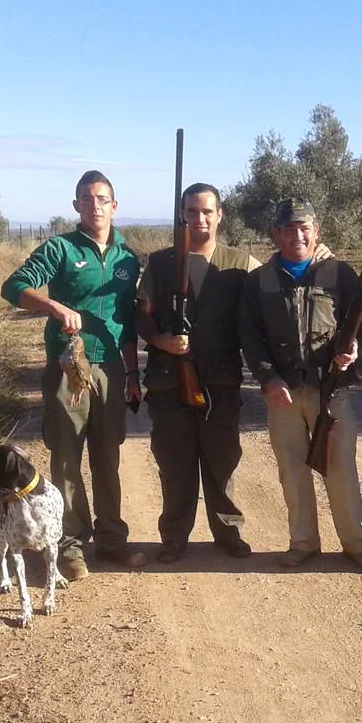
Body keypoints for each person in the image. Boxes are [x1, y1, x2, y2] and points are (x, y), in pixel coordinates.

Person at [1, 170, 145, 580]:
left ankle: (113, 540)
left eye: (102, 199)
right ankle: (70, 545)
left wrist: (133, 373)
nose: (94, 206)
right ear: (76, 205)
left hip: (112, 371)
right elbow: (13, 287)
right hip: (68, 369)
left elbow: (129, 322)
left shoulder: (127, 258)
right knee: (66, 460)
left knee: (108, 458)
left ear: (114, 206)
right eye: (86, 199)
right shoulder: (60, 249)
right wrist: (53, 307)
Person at [240, 198, 362, 570]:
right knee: (293, 470)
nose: (297, 236)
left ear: (316, 230)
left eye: (304, 228)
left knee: (341, 469)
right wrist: (267, 379)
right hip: (283, 393)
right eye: (288, 229)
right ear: (276, 234)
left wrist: (354, 351)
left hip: (331, 391)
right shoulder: (259, 280)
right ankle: (303, 543)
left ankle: (356, 544)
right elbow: (250, 338)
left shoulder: (341, 273)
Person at [134, 183, 259, 563]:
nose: (199, 219)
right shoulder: (160, 263)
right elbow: (141, 313)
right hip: (169, 383)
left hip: (220, 384)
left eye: (207, 211)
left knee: (223, 464)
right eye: (191, 212)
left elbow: (271, 304)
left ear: (220, 215)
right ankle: (173, 538)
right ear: (182, 216)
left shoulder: (243, 263)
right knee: (174, 466)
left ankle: (228, 534)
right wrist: (159, 340)